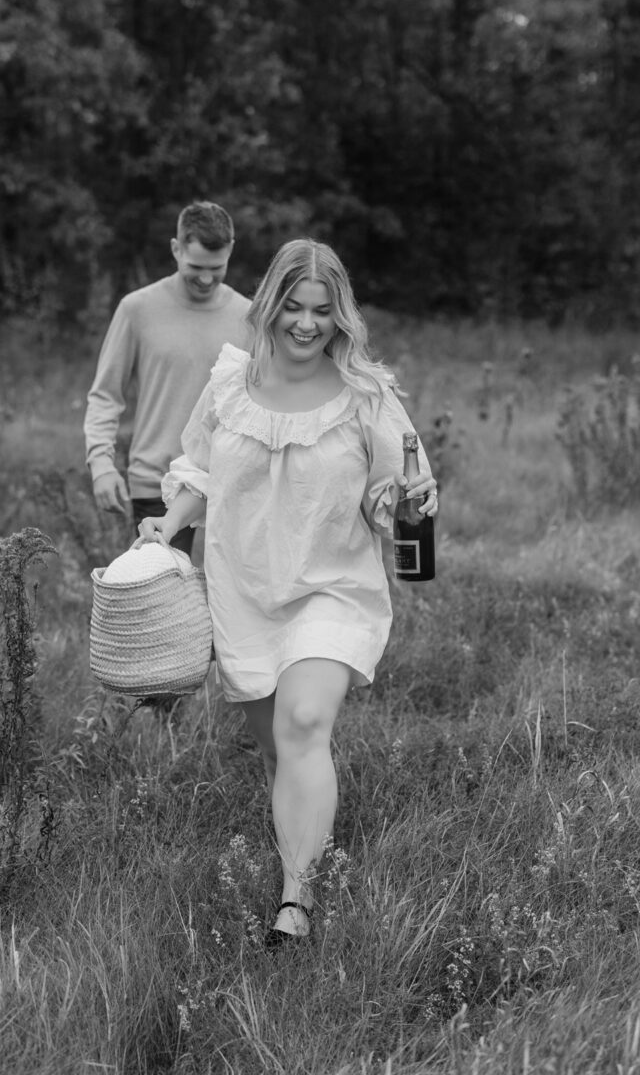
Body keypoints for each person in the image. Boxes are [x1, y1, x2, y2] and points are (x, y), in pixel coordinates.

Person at [136, 239, 438, 942]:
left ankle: (295, 902)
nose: (307, 325)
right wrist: (167, 527)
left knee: (304, 722)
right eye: (294, 308)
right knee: (279, 749)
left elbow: (399, 497)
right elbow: (197, 469)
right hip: (243, 590)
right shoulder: (229, 386)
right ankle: (300, 840)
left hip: (330, 587)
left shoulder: (367, 397)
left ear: (341, 317)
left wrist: (412, 503)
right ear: (270, 304)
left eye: (322, 312)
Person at [84, 200, 251, 555]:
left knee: (227, 604)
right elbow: (106, 394)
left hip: (233, 485)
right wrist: (101, 463)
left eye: (216, 268)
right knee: (165, 602)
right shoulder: (137, 309)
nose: (206, 278)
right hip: (157, 484)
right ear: (176, 249)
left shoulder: (249, 317)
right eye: (195, 267)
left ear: (231, 251)